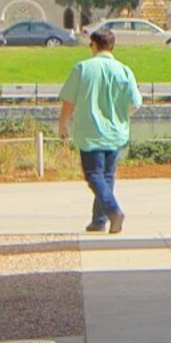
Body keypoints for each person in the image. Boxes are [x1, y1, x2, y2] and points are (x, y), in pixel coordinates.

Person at [59, 26, 140, 234]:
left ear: (94, 45)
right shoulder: (124, 70)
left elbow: (69, 100)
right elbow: (135, 103)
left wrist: (63, 124)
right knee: (107, 175)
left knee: (94, 174)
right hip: (115, 131)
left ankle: (113, 211)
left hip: (90, 130)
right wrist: (121, 116)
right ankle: (99, 220)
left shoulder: (82, 68)